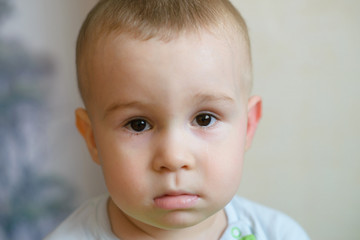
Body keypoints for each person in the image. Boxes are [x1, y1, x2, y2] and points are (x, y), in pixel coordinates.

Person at [46, 0, 310, 239]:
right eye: (138, 124)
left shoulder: (279, 234)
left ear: (248, 126)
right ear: (92, 139)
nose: (174, 158)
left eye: (204, 119)